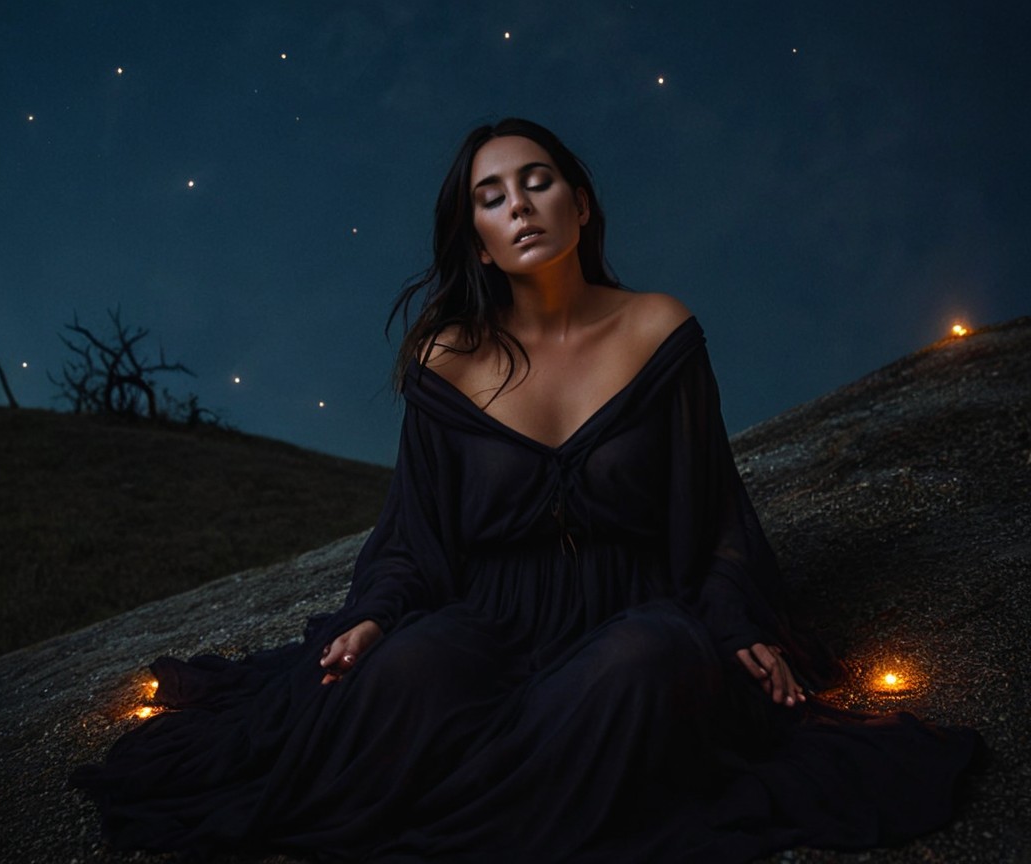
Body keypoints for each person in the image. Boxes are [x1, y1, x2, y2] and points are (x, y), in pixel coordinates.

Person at [72, 118, 981, 862]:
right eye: (491, 196)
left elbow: (710, 508)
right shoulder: (448, 358)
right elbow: (414, 529)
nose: (520, 205)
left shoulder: (661, 329)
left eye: (538, 181)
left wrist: (738, 624)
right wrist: (377, 613)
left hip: (637, 601)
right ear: (477, 237)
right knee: (402, 680)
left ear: (580, 203)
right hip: (492, 611)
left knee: (645, 668)